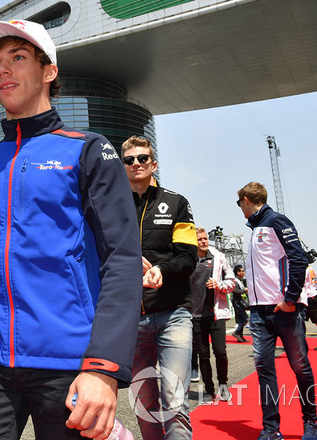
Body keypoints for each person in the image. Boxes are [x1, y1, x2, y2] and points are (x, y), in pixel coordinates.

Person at [0, 20, 142, 440]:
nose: (2, 70)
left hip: (69, 361)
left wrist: (104, 366)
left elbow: (122, 260)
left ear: (49, 71)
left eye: (17, 58)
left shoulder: (88, 150)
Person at [121, 135, 197, 440]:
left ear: (154, 164)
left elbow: (189, 258)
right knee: (144, 404)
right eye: (129, 160)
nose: (136, 164)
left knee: (174, 399)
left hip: (173, 315)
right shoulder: (111, 205)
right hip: (130, 319)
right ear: (123, 165)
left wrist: (161, 271)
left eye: (142, 159)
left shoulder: (177, 202)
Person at [237, 182, 317, 440]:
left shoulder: (276, 220)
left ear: (246, 200)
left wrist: (291, 299)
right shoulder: (256, 228)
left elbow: (299, 258)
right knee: (264, 371)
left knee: (300, 366)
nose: (240, 208)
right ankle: (271, 429)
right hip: (259, 313)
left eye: (239, 203)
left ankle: (311, 423)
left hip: (284, 310)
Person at [190, 227, 236, 402]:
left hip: (215, 313)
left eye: (205, 238)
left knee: (220, 351)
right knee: (203, 355)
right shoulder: (188, 259)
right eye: (199, 239)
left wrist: (218, 284)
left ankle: (223, 385)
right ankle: (209, 390)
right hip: (195, 316)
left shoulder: (219, 257)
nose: (203, 241)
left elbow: (232, 282)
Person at [232, 265, 249, 342]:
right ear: (238, 272)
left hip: (240, 301)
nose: (243, 272)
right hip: (237, 302)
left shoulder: (240, 281)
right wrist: (244, 290)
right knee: (245, 318)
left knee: (242, 319)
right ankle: (237, 332)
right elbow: (235, 291)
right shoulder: (235, 281)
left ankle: (240, 336)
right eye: (242, 271)